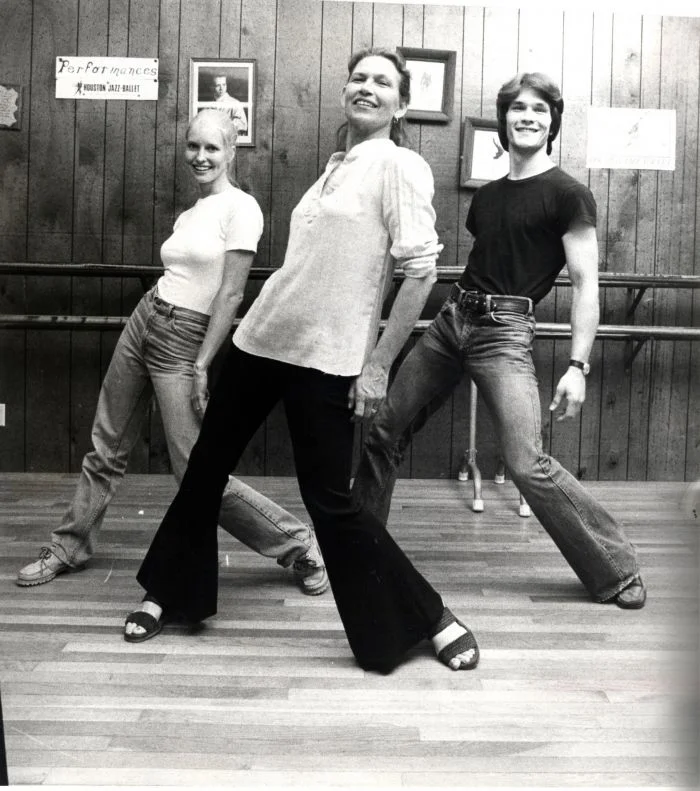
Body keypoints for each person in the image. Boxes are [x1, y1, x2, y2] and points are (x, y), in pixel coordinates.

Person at [124, 48, 479, 674]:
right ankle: (168, 594)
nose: (367, 87)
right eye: (359, 77)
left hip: (326, 358)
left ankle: (431, 617)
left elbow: (420, 273)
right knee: (204, 470)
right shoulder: (336, 166)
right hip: (260, 340)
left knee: (330, 502)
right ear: (344, 90)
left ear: (401, 104)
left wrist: (376, 365)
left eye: (383, 82)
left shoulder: (400, 165)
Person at [352, 72, 646, 610]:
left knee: (525, 460)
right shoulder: (486, 198)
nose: (527, 117)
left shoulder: (569, 195)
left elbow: (586, 285)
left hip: (504, 335)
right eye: (517, 108)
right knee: (384, 429)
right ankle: (358, 550)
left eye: (539, 110)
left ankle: (617, 567)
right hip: (451, 322)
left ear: (552, 124)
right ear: (503, 120)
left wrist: (577, 366)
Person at [16, 109, 327, 599]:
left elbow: (230, 295)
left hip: (184, 338)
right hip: (146, 318)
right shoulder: (191, 212)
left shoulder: (242, 208)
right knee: (105, 444)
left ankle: (298, 543)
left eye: (212, 148)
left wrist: (201, 363)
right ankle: (68, 546)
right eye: (193, 146)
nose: (200, 157)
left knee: (196, 469)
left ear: (231, 151)